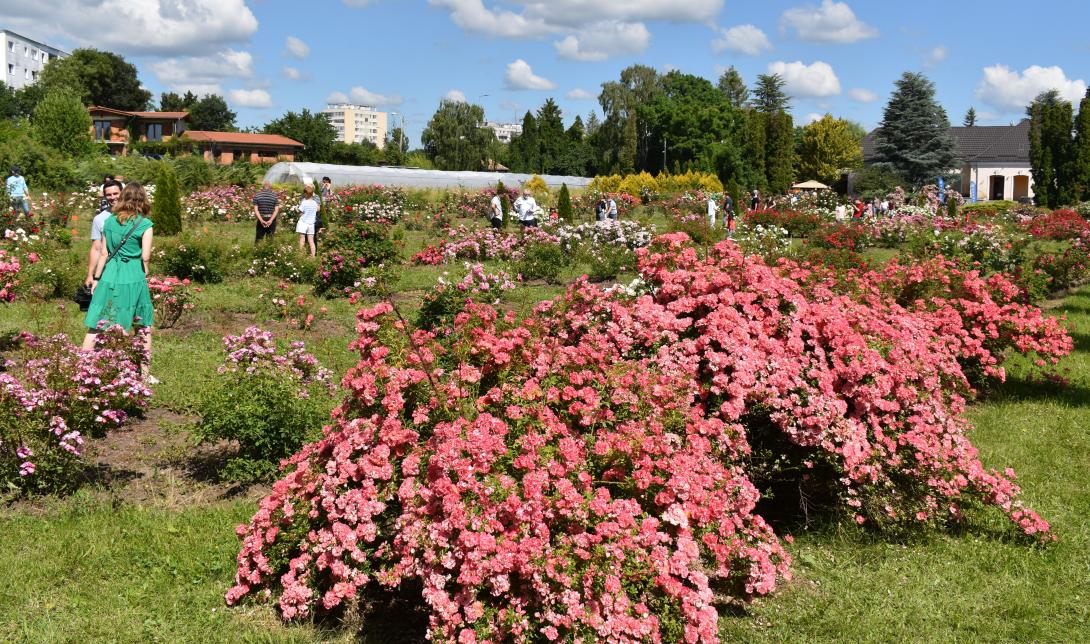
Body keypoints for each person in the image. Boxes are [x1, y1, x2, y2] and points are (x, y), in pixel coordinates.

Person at [82, 183, 156, 380]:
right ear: (143, 200)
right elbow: (146, 256)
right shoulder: (144, 224)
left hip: (109, 274)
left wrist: (96, 278)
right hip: (133, 275)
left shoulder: (109, 221)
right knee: (142, 325)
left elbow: (104, 252)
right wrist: (145, 270)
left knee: (97, 323)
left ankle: (83, 368)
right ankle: (144, 373)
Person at [86, 180, 123, 287]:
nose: (112, 197)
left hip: (130, 266)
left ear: (122, 193)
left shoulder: (135, 216)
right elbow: (96, 248)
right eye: (109, 195)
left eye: (115, 193)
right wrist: (90, 275)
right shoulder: (99, 219)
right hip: (108, 268)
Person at [296, 184, 320, 256]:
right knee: (311, 241)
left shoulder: (304, 202)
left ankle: (300, 255)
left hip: (303, 223)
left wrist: (295, 208)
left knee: (302, 239)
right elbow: (316, 210)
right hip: (311, 224)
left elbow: (299, 211)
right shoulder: (315, 203)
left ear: (306, 193)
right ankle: (313, 256)